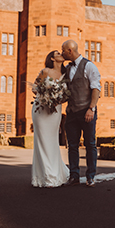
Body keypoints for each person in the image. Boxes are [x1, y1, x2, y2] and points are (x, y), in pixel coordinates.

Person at [61, 40, 101, 187]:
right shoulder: (67, 69)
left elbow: (96, 88)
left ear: (70, 51)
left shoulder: (89, 66)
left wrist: (91, 108)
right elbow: (66, 92)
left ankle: (90, 176)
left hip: (86, 112)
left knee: (90, 144)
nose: (62, 53)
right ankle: (74, 176)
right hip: (71, 113)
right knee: (72, 145)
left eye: (63, 51)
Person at [31, 50, 70, 188]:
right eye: (58, 53)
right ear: (53, 58)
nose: (61, 54)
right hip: (41, 110)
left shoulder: (66, 74)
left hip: (55, 111)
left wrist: (57, 100)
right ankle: (46, 176)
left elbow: (66, 96)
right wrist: (45, 97)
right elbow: (34, 87)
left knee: (52, 141)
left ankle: (56, 172)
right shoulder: (45, 71)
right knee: (42, 141)